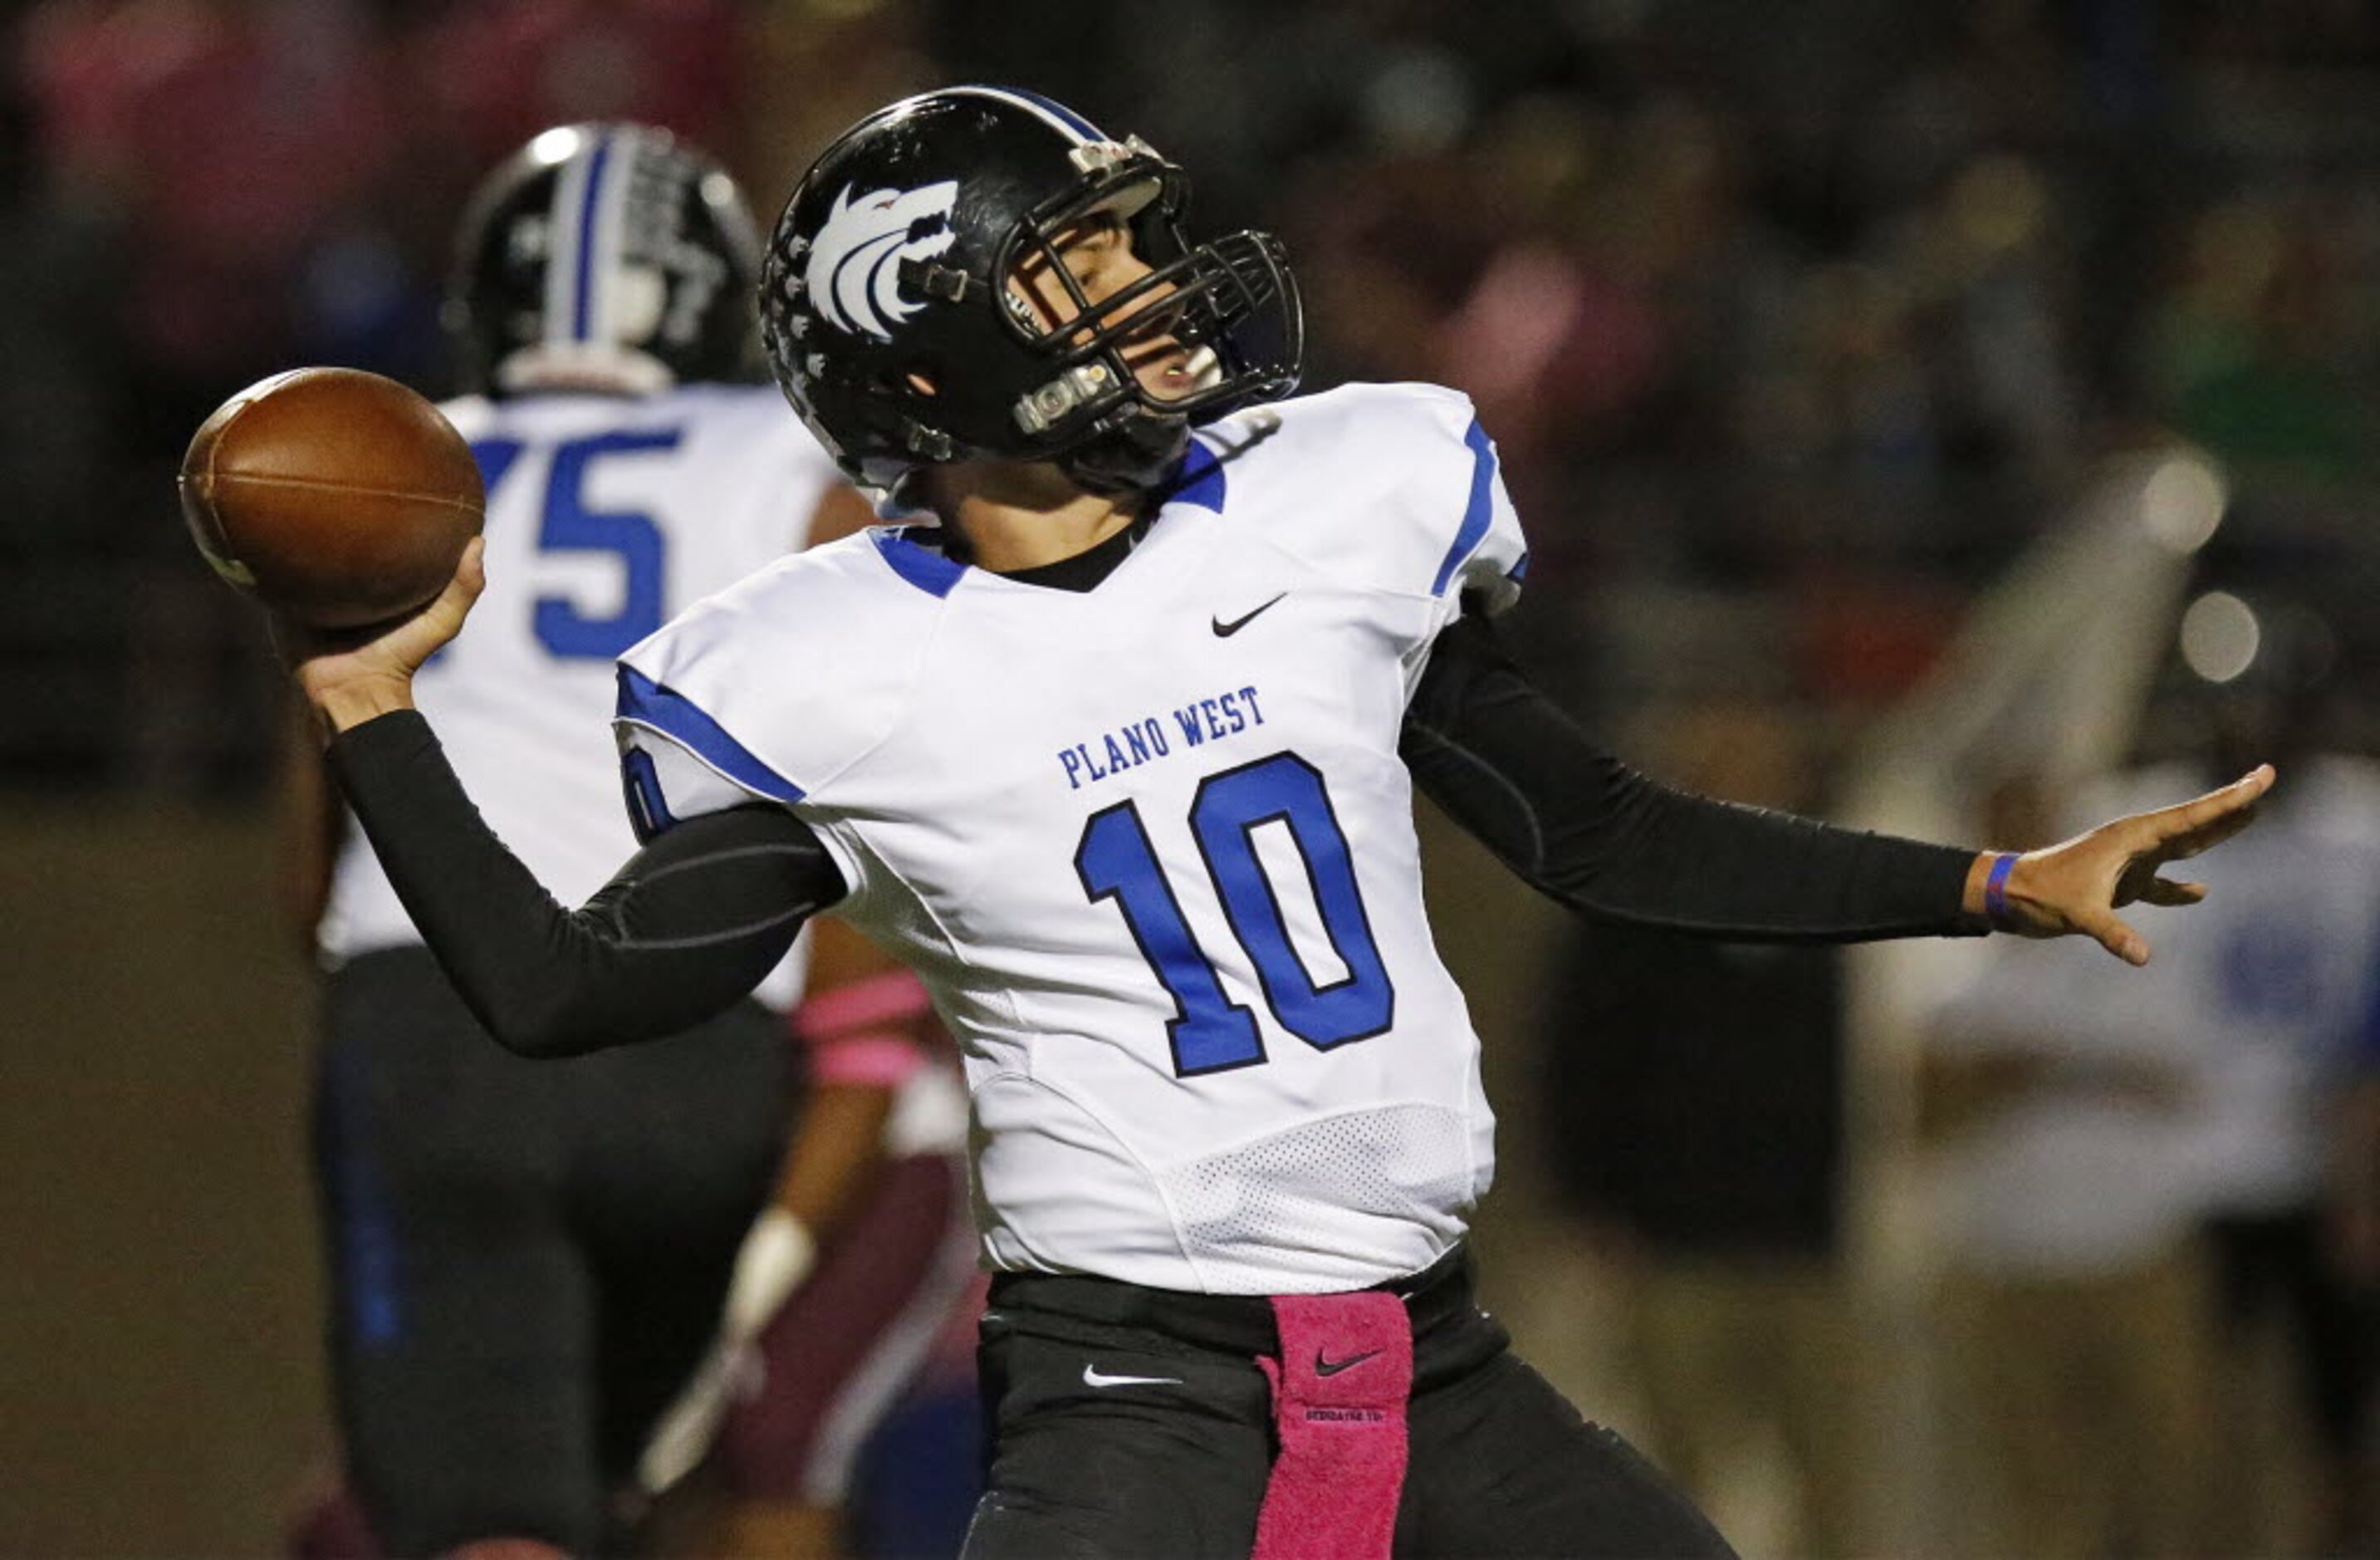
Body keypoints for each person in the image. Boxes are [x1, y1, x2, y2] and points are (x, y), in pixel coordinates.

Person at [282, 87, 2275, 1559]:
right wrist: (372, 713)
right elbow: (557, 993)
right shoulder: (815, 667)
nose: (1150, 286)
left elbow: (1596, 834)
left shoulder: (1326, 504)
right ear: (937, 339)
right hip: (1133, 1402)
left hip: (1433, 1371)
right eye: (1081, 259)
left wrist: (1993, 885)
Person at [295, 122, 927, 1560]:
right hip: (699, 1032)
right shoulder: (805, 466)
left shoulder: (389, 456)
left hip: (433, 1020)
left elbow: (316, 829)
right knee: (650, 1500)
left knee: (486, 1512)